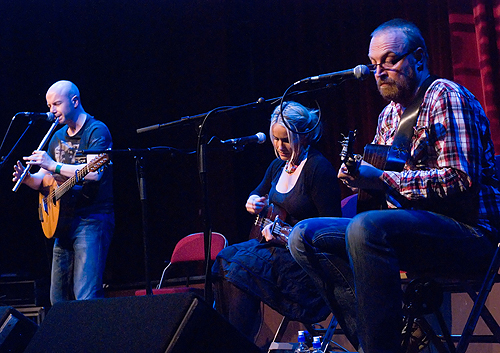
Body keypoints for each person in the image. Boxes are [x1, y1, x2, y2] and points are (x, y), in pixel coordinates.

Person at [288, 18, 500, 353]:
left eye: (389, 60)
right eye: (373, 64)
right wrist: (357, 177)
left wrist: (383, 178)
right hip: (409, 232)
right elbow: (381, 184)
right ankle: (392, 336)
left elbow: (462, 178)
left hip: (469, 234)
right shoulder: (388, 116)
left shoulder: (446, 97)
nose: (379, 71)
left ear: (418, 57)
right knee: (303, 236)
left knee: (367, 228)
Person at [211, 101, 342, 344]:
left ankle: (238, 346)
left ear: (303, 137)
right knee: (224, 259)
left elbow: (332, 230)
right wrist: (252, 202)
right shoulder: (277, 167)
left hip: (303, 264)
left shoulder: (317, 168)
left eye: (286, 140)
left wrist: (289, 234)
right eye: (275, 139)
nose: (279, 146)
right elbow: (256, 194)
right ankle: (230, 342)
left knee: (240, 265)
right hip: (274, 253)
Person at [13, 80, 114, 305]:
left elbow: (94, 173)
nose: (52, 111)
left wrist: (53, 165)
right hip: (63, 222)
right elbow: (44, 180)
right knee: (57, 299)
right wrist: (28, 178)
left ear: (74, 101)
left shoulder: (96, 130)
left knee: (85, 294)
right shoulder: (57, 136)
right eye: (49, 106)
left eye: (57, 104)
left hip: (91, 218)